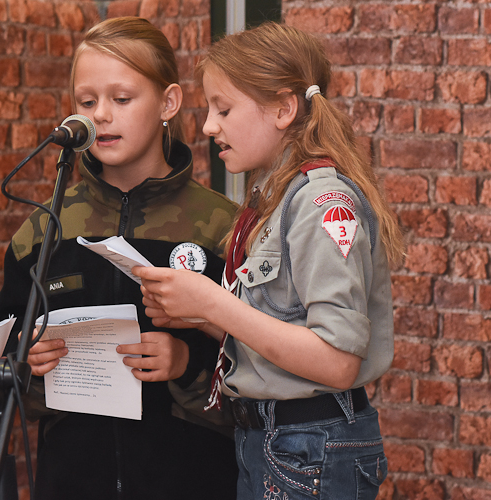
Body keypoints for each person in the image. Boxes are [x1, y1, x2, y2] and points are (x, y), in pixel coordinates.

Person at [134, 22, 404, 500]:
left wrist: (216, 305)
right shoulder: (277, 199)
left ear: (284, 108)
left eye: (224, 108)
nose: (209, 126)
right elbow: (279, 330)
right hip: (273, 441)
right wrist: (198, 316)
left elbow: (338, 361)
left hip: (309, 449)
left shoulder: (321, 202)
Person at [0, 16, 239, 500]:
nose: (101, 114)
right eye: (87, 102)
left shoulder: (222, 227)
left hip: (193, 478)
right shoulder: (41, 230)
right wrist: (29, 360)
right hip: (70, 480)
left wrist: (186, 363)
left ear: (168, 102)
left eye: (121, 99)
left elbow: (260, 370)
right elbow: (0, 381)